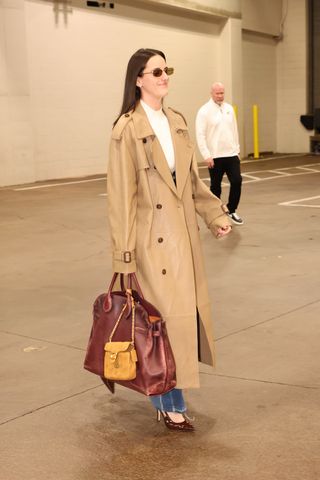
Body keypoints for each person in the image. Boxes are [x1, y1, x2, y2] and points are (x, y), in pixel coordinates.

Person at [107, 49, 232, 432]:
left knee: (181, 322)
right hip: (151, 243)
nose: (164, 76)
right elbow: (121, 198)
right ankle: (168, 402)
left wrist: (213, 215)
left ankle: (173, 398)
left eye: (167, 69)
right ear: (138, 80)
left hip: (184, 239)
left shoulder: (175, 121)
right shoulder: (126, 129)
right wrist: (124, 258)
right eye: (156, 71)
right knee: (161, 325)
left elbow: (190, 183)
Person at [195, 82, 244, 225]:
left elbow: (234, 129)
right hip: (214, 157)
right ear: (211, 93)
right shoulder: (204, 111)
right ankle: (216, 216)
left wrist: (237, 149)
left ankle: (231, 209)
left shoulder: (229, 108)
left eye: (222, 93)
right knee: (215, 187)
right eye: (217, 93)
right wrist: (206, 155)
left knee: (237, 181)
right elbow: (200, 135)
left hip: (231, 154)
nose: (220, 96)